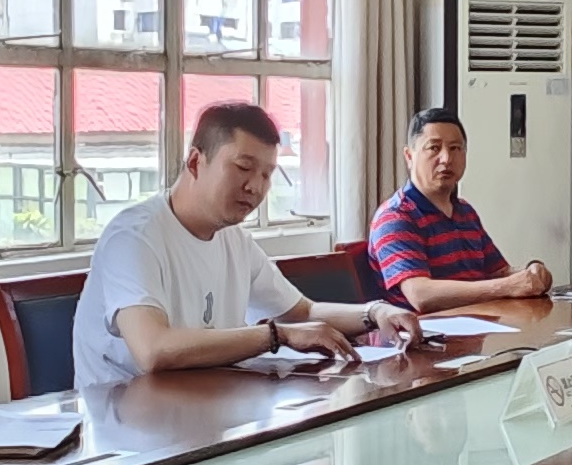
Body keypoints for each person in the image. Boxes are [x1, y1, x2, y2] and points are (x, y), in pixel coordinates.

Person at [76, 100, 416, 388]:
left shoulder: (234, 239)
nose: (255, 187)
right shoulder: (135, 237)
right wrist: (277, 336)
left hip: (208, 402)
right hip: (125, 421)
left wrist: (376, 312)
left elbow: (303, 312)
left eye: (267, 175)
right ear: (195, 162)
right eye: (243, 168)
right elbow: (153, 350)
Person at [367, 105, 555, 312]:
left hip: (481, 322)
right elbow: (421, 295)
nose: (446, 159)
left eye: (455, 148)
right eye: (434, 148)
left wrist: (532, 273)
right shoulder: (396, 216)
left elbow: (499, 272)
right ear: (409, 156)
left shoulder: (465, 212)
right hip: (427, 330)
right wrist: (507, 287)